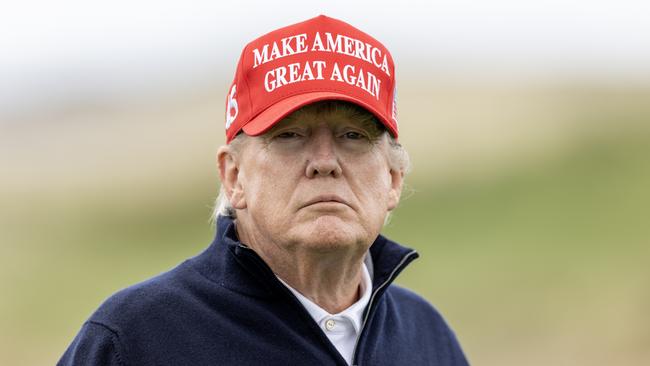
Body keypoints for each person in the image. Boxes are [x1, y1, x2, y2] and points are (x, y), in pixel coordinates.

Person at [59, 15, 469, 366]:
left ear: (393, 180)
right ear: (234, 176)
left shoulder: (426, 337)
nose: (324, 162)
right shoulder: (135, 340)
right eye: (290, 135)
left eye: (352, 135)